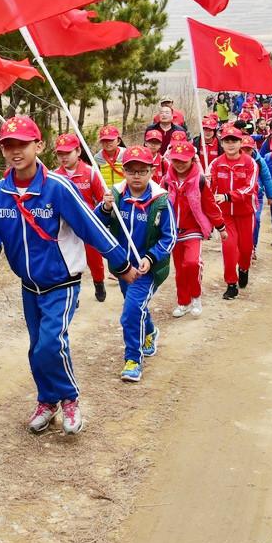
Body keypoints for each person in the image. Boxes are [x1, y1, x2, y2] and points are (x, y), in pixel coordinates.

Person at [0, 116, 137, 436]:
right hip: (29, 285)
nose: (15, 152)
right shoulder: (2, 192)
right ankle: (47, 400)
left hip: (63, 280)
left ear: (38, 146)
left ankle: (69, 398)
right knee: (36, 348)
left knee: (50, 343)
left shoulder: (58, 188)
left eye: (22, 145)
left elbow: (90, 226)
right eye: (8, 146)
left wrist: (121, 264)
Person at [96, 146, 176, 382]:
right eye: (132, 171)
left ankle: (133, 359)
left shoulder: (160, 201)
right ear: (124, 172)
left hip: (147, 269)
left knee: (130, 313)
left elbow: (169, 237)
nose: (137, 176)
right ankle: (150, 331)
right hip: (122, 267)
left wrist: (151, 258)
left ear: (152, 171)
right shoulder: (116, 196)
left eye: (142, 171)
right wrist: (105, 208)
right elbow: (95, 225)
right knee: (137, 307)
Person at [162, 141, 227, 317]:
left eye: (184, 160)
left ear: (192, 159)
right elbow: (158, 203)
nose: (180, 164)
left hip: (193, 229)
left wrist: (220, 226)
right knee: (180, 269)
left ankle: (196, 297)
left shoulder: (199, 180)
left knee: (191, 263)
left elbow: (210, 205)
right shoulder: (167, 180)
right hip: (173, 231)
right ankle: (183, 302)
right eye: (176, 160)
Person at [53, 133, 109, 302]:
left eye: (67, 153)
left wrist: (100, 217)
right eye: (60, 153)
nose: (63, 157)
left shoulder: (91, 173)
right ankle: (72, 292)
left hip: (87, 224)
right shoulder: (55, 176)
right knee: (68, 260)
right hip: (66, 228)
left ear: (78, 151)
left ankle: (99, 282)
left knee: (94, 258)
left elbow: (101, 199)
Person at [208, 126, 259, 300]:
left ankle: (244, 268)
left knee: (245, 249)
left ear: (240, 143)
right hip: (225, 216)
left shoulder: (249, 163)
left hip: (245, 213)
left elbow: (250, 188)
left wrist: (229, 196)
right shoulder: (215, 164)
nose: (230, 144)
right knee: (229, 248)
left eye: (234, 141)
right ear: (222, 143)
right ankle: (231, 284)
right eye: (227, 141)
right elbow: (209, 189)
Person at [242, 133, 272, 263]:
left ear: (253, 149)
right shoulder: (235, 160)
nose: (245, 152)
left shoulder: (259, 161)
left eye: (248, 149)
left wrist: (271, 195)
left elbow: (267, 177)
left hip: (257, 197)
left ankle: (252, 247)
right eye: (243, 149)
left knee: (255, 220)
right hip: (241, 198)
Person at [95, 124, 126, 190]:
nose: (108, 143)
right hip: (106, 193)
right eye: (104, 140)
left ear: (118, 141)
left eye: (111, 140)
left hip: (124, 191)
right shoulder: (97, 158)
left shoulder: (126, 154)